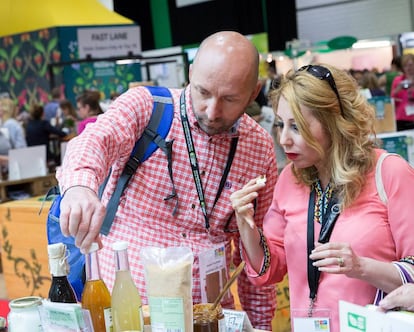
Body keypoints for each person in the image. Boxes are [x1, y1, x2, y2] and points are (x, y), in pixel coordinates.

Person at [56, 31, 278, 329]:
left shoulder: (259, 148)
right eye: (202, 92)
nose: (212, 111)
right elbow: (94, 140)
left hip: (209, 317)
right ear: (189, 75)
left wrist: (261, 325)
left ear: (253, 93)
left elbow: (255, 255)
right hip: (132, 316)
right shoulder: (148, 108)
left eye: (229, 99)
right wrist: (80, 187)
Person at [229, 63, 414, 332]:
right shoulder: (290, 179)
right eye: (281, 125)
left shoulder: (389, 172)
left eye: (297, 127)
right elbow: (269, 269)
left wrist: (361, 266)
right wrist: (246, 225)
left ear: (333, 123)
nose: (283, 140)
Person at [391, 53, 414, 131]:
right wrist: (398, 89)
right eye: (405, 66)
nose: (408, 68)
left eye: (410, 65)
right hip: (401, 117)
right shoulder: (398, 80)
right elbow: (391, 99)